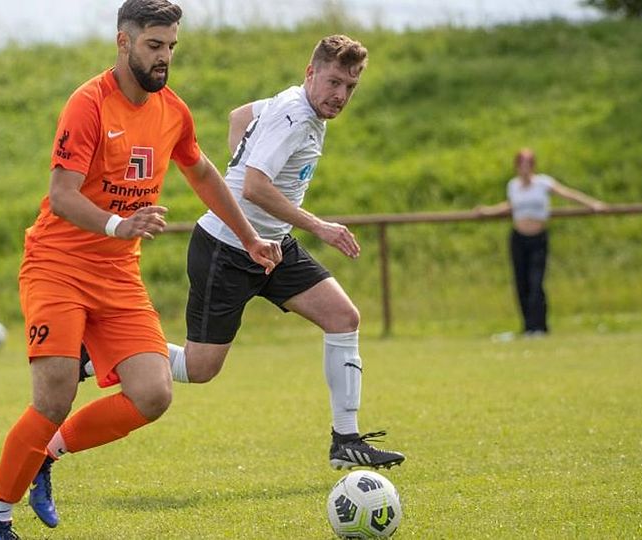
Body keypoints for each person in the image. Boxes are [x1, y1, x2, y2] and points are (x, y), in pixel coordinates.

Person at [0, 1, 282, 538]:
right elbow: (62, 195)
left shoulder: (173, 111)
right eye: (154, 45)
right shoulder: (88, 104)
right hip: (57, 265)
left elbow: (204, 174)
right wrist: (119, 224)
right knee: (53, 397)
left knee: (153, 393)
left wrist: (250, 237)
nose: (164, 57)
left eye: (171, 47)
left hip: (117, 274)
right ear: (124, 42)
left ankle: (47, 453)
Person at [77, 34, 406, 475]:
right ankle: (100, 352)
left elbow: (240, 116)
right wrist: (317, 224)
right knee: (199, 368)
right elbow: (254, 187)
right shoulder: (294, 116)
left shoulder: (296, 105)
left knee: (343, 317)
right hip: (226, 248)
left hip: (272, 245)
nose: (340, 95)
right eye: (333, 83)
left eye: (350, 87)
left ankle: (346, 440)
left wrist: (245, 160)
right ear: (310, 73)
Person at [477, 148, 607, 336]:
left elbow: (567, 193)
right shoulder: (513, 185)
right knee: (521, 283)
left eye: (528, 164)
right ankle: (527, 327)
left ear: (533, 166)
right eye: (522, 164)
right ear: (516, 166)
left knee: (536, 282)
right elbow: (511, 205)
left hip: (537, 238)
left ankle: (539, 326)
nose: (525, 168)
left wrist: (592, 204)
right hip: (518, 238)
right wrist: (488, 211)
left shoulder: (543, 183)